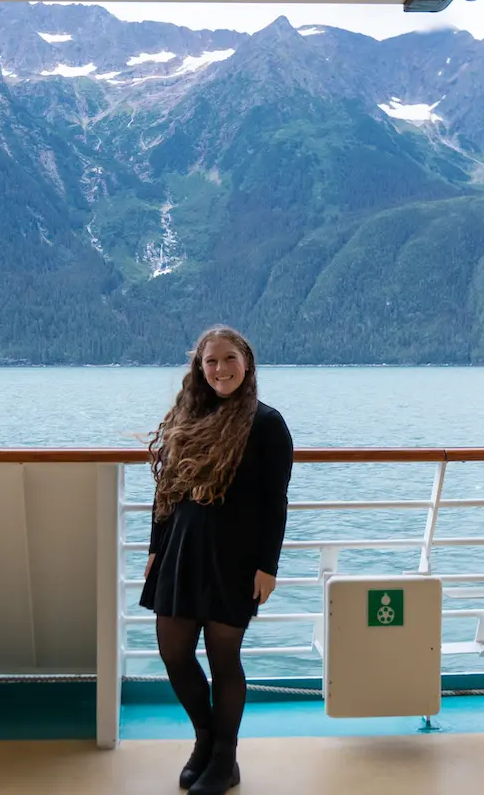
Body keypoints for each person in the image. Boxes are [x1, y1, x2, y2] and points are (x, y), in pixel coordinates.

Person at [140, 325, 294, 794]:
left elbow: (275, 502)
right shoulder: (187, 417)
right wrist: (154, 548)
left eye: (230, 359)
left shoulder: (267, 424)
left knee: (224, 658)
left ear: (246, 364)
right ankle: (206, 739)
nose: (221, 368)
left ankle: (225, 759)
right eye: (211, 361)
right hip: (181, 550)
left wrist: (268, 567)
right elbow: (166, 490)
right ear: (199, 367)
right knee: (173, 652)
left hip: (236, 557)